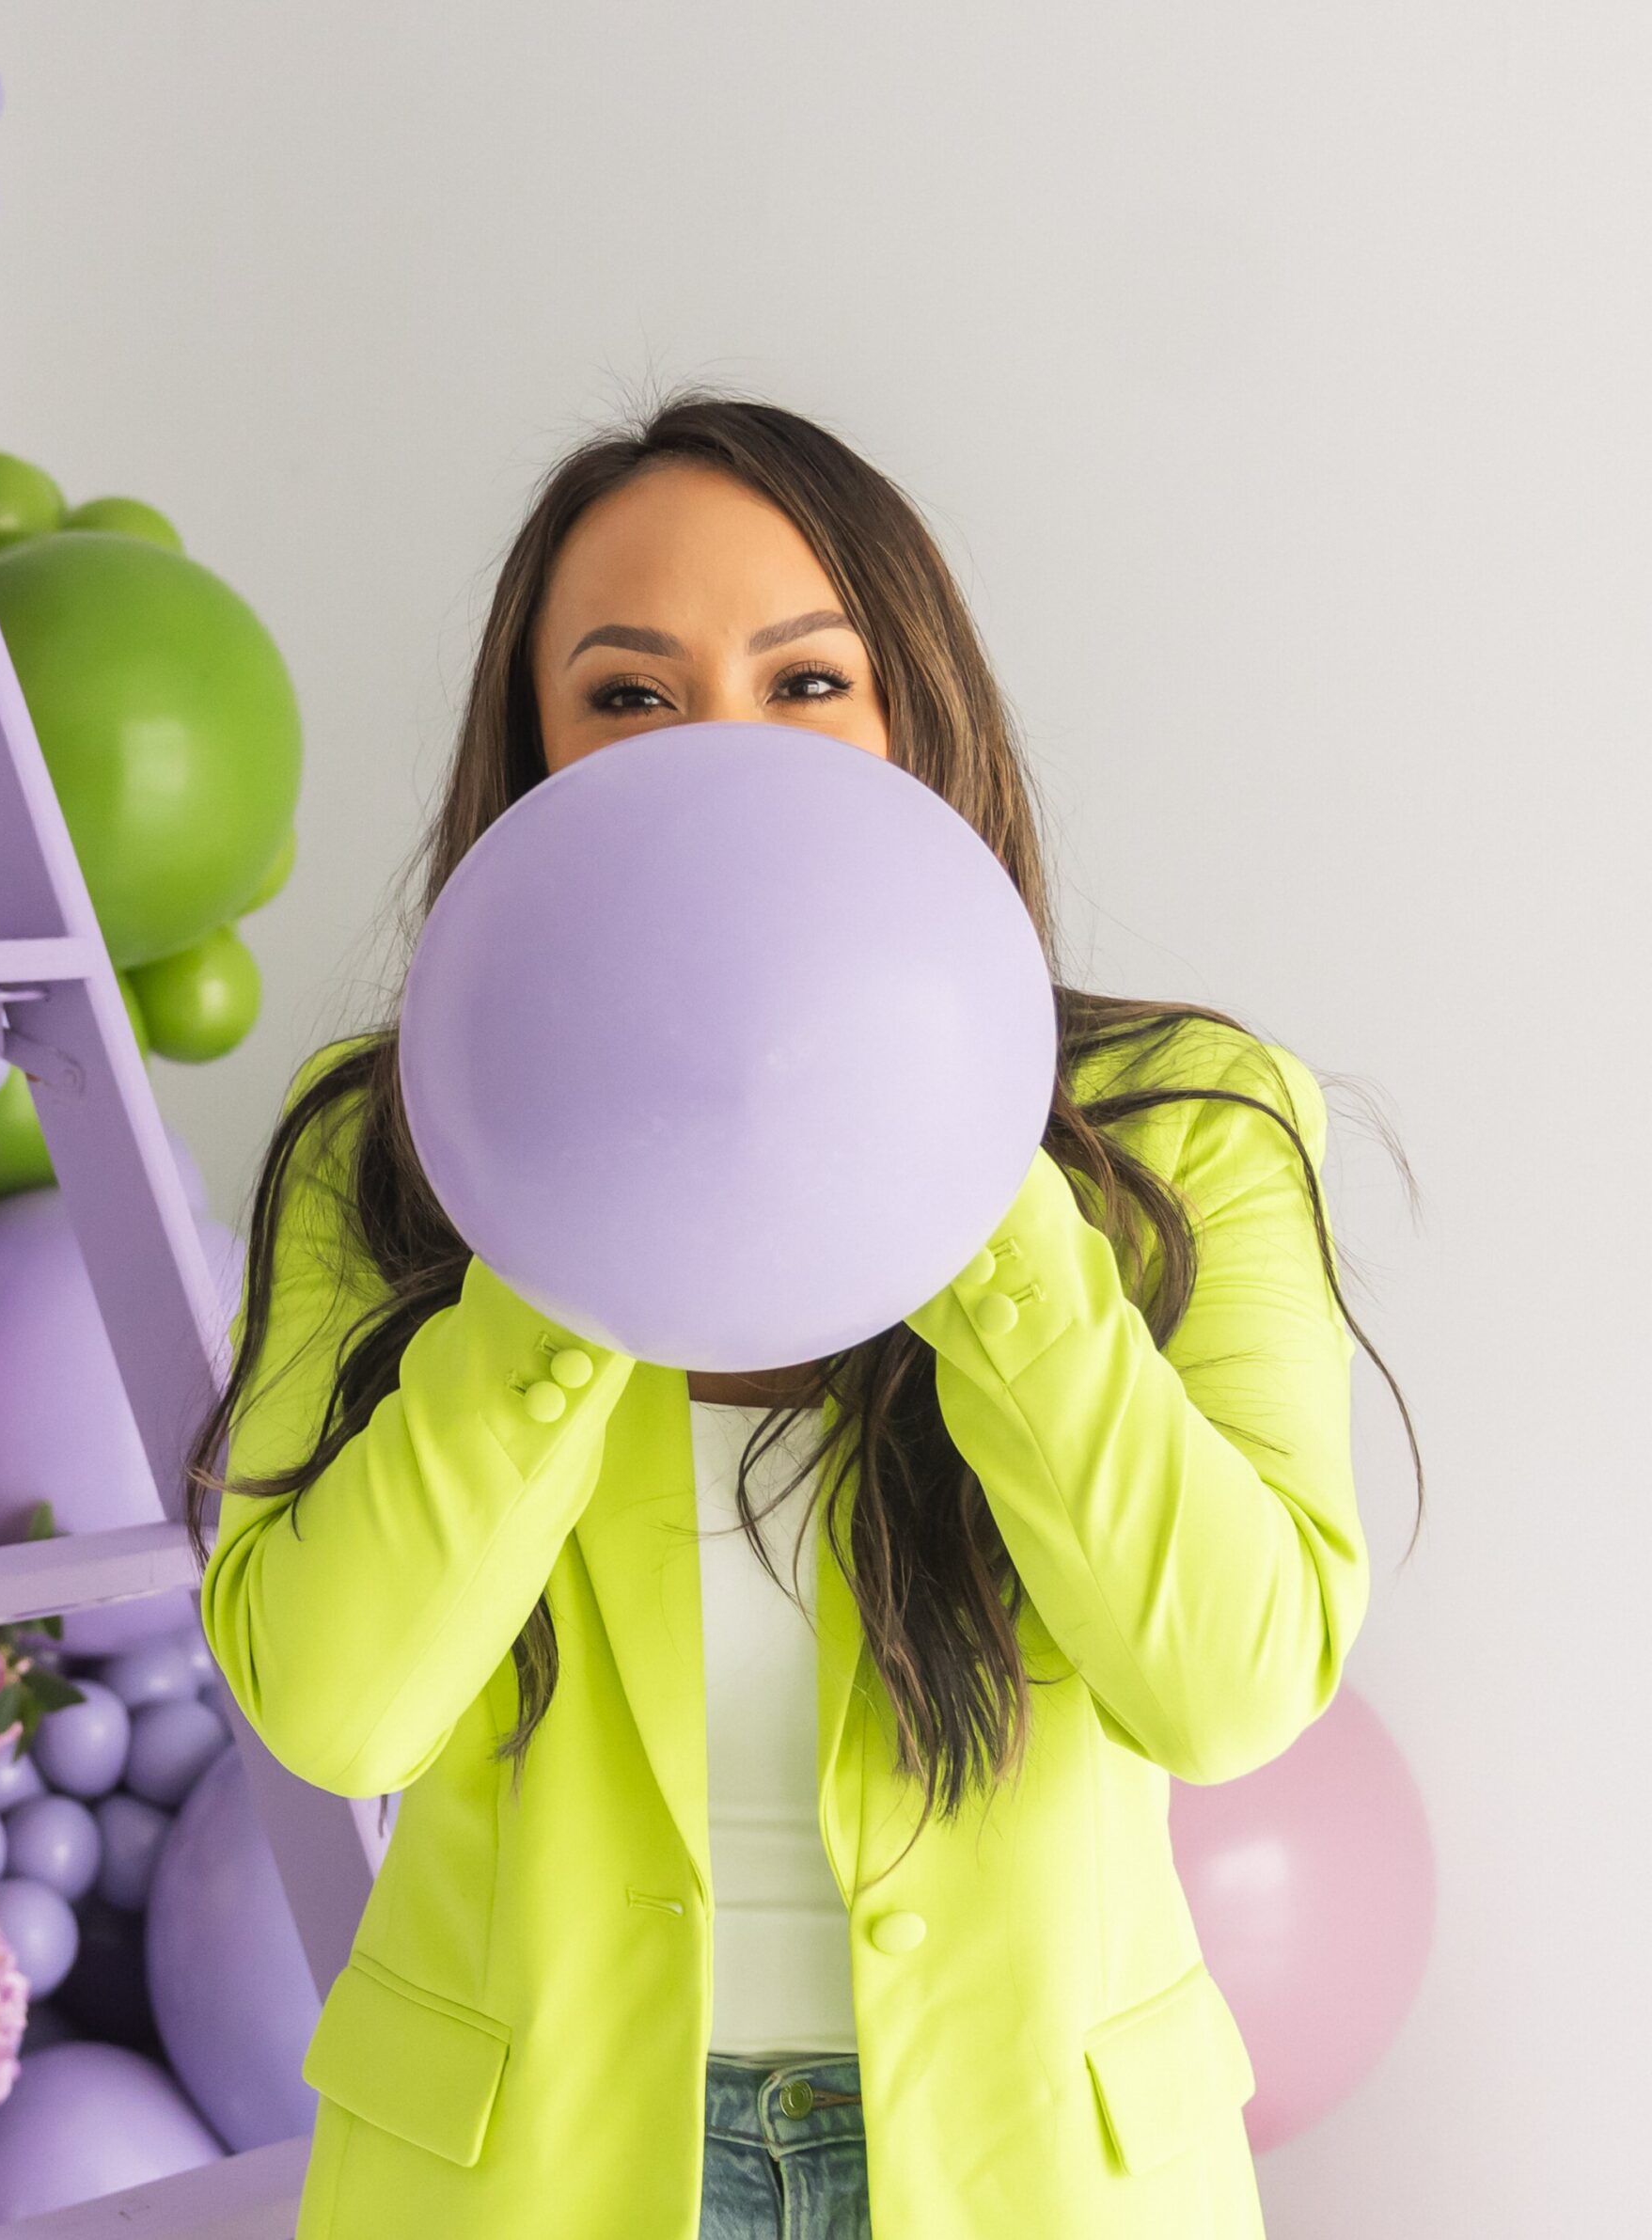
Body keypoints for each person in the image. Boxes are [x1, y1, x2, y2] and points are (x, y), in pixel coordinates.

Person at [181, 390, 1420, 2240]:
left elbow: (1226, 1686)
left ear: (915, 720)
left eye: (804, 681)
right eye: (625, 694)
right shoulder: (386, 1144)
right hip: (531, 2180)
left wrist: (949, 1148)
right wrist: (570, 1187)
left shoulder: (1189, 1120)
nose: (718, 757)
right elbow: (339, 1710)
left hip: (1032, 2177)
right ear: (533, 761)